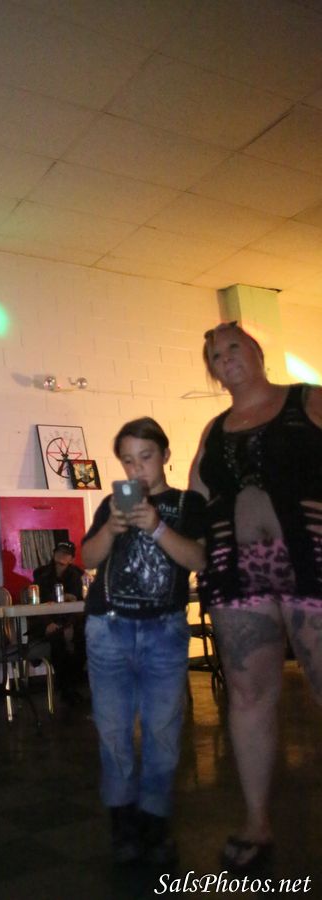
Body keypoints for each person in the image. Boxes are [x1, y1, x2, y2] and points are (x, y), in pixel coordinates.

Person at [189, 321, 322, 873]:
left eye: (233, 347)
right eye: (215, 356)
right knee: (247, 695)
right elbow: (196, 497)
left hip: (313, 564)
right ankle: (256, 821)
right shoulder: (213, 429)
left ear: (258, 351)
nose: (225, 358)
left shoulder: (308, 400)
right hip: (236, 574)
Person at [82, 417, 205, 865]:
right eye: (128, 461)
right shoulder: (110, 504)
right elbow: (87, 557)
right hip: (108, 627)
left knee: (163, 731)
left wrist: (156, 526)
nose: (137, 470)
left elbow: (199, 559)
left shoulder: (188, 504)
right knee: (112, 731)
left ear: (165, 455)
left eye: (146, 457)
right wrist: (110, 529)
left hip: (164, 630)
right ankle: (122, 824)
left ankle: (154, 823)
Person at [30, 541, 86, 704]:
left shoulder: (77, 575)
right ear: (54, 554)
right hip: (47, 622)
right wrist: (48, 623)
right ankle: (66, 689)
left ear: (72, 558)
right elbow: (37, 603)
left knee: (83, 639)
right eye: (59, 552)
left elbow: (78, 604)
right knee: (57, 640)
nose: (62, 556)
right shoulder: (41, 574)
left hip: (70, 622)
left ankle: (71, 686)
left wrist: (69, 625)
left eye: (66, 553)